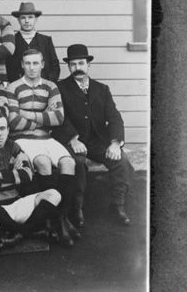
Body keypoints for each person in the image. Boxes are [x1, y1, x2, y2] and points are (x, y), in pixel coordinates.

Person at [52, 44, 134, 226]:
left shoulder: (101, 89)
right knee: (78, 163)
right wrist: (72, 139)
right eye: (73, 64)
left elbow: (114, 117)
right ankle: (77, 208)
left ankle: (117, 206)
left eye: (81, 63)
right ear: (69, 67)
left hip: (97, 140)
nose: (77, 68)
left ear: (88, 65)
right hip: (73, 141)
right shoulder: (60, 88)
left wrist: (115, 143)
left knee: (121, 161)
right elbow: (60, 118)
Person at [4, 49, 79, 247]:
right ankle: (53, 220)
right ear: (21, 64)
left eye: (35, 63)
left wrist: (24, 113)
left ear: (43, 64)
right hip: (22, 139)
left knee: (69, 162)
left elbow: (58, 118)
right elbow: (13, 122)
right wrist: (43, 117)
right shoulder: (13, 87)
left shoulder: (50, 87)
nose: (31, 68)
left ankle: (61, 218)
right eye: (27, 63)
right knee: (43, 162)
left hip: (47, 138)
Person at [0, 113, 62, 247]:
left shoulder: (14, 146)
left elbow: (27, 175)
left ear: (8, 130)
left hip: (16, 204)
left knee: (54, 194)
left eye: (2, 128)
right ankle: (29, 232)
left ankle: (19, 233)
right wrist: (13, 174)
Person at [5, 2, 60, 83]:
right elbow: (9, 67)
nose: (27, 21)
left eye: (30, 17)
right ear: (18, 20)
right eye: (23, 18)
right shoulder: (12, 40)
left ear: (36, 19)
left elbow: (55, 67)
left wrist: (47, 83)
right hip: (19, 90)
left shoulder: (45, 41)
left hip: (43, 88)